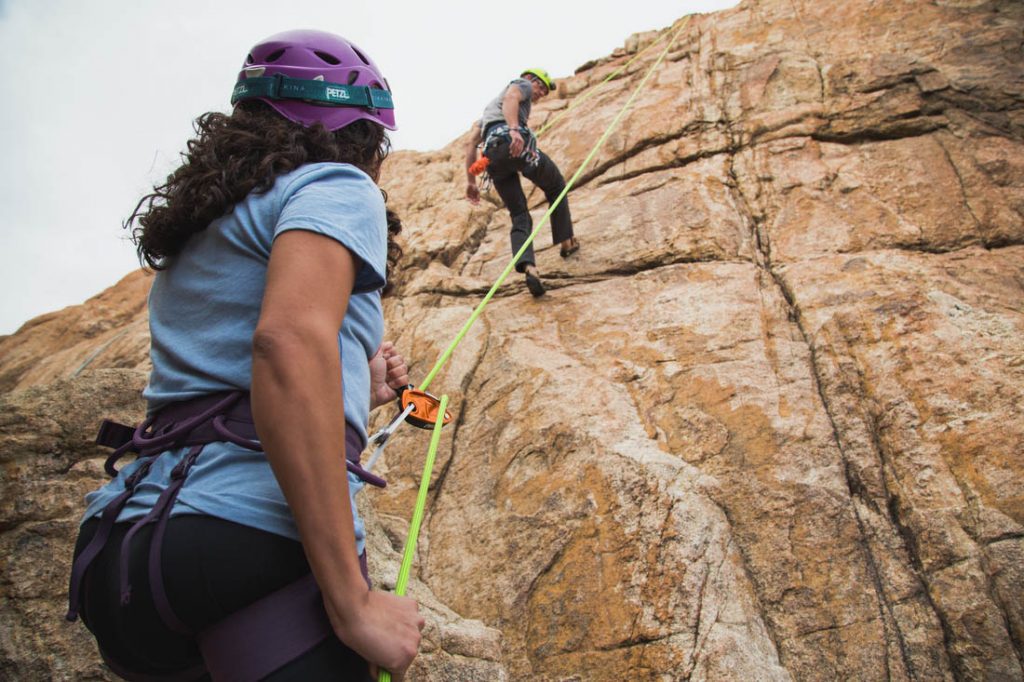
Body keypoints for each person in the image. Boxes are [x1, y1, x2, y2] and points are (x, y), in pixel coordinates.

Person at [66, 30, 425, 681]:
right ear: (359, 131)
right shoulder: (336, 185)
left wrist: (356, 377)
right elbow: (286, 344)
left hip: (123, 552)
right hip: (245, 546)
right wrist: (352, 602)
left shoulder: (204, 224)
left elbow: (232, 356)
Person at [465, 68, 580, 297]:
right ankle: (567, 242)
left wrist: (471, 182)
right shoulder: (521, 84)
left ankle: (530, 267)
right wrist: (515, 130)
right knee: (556, 185)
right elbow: (512, 97)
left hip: (493, 157)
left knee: (519, 214)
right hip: (514, 143)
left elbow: (471, 143)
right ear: (531, 80)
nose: (540, 94)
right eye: (541, 88)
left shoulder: (486, 114)